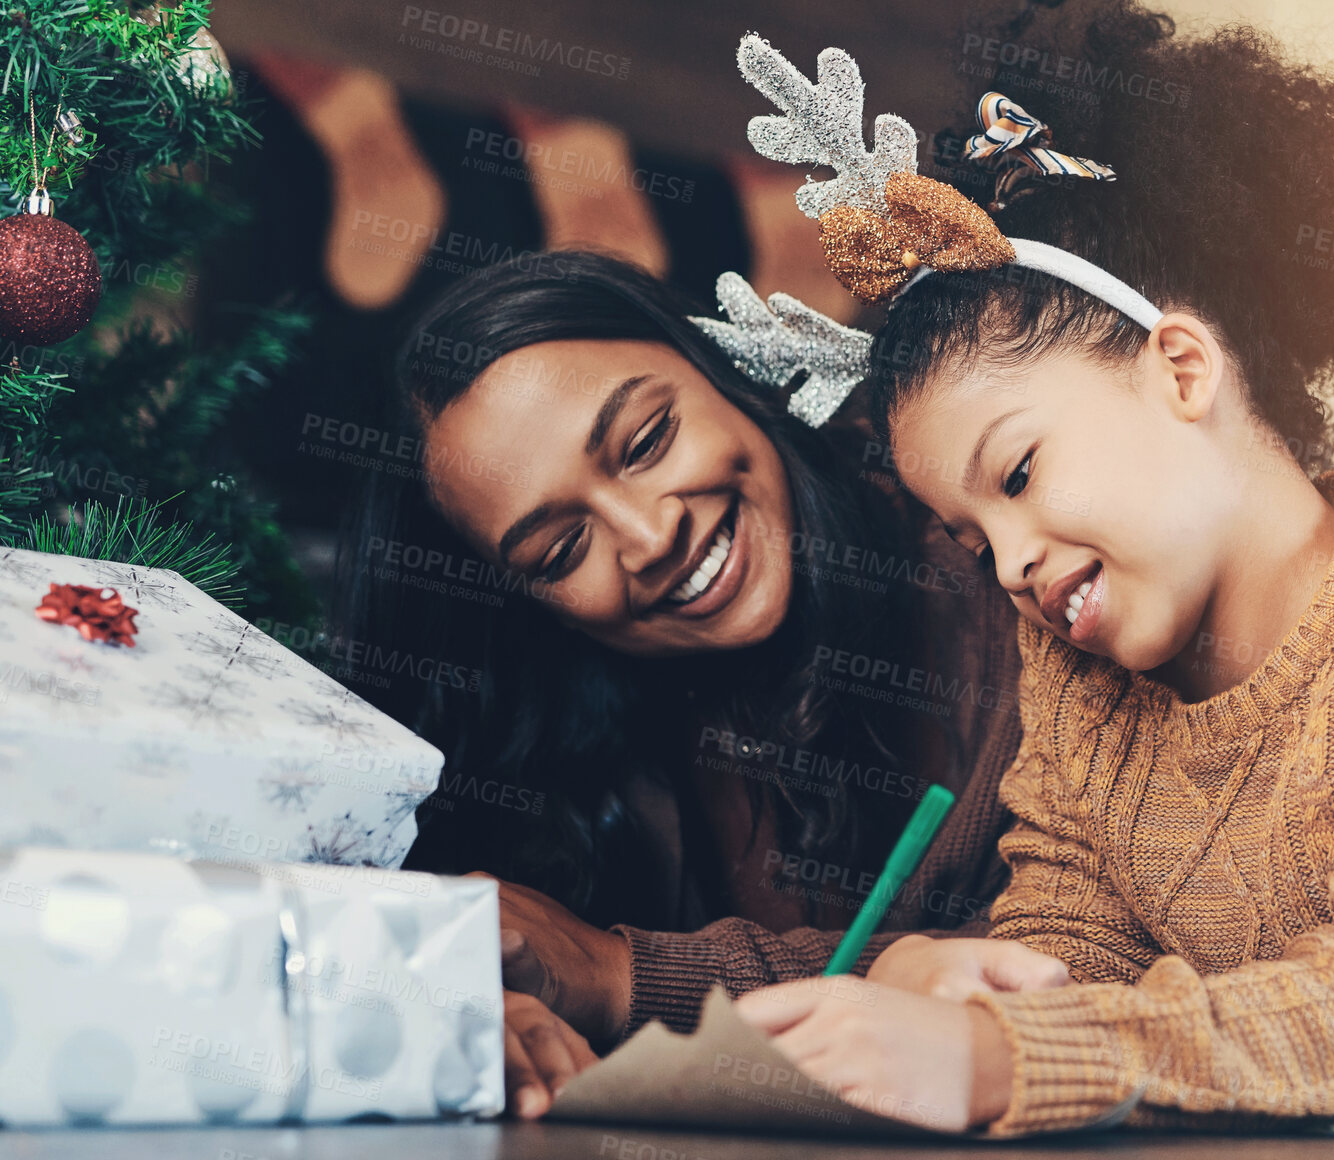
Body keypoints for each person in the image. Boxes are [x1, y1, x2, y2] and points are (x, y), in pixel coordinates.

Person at [730, 4, 1334, 1134]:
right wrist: (955, 982)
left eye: (1012, 476)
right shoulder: (1075, 683)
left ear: (1182, 367)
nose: (1006, 563)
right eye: (968, 538)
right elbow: (1068, 967)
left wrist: (1000, 1054)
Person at [335, 251, 1027, 1116]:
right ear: (533, 610)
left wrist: (626, 976)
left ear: (721, 369)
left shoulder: (1005, 560)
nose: (650, 534)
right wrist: (490, 1015)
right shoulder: (586, 761)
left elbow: (1088, 962)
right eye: (560, 551)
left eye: (646, 442)